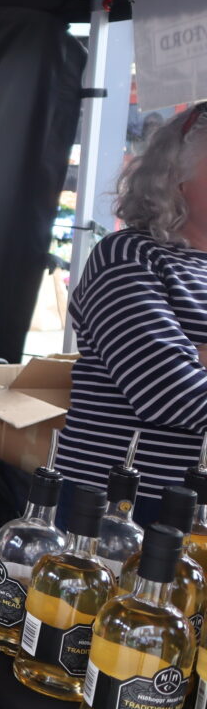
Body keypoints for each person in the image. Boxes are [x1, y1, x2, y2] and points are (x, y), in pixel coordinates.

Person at [57, 100, 207, 521]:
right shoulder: (128, 256)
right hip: (120, 507)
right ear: (176, 176)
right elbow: (174, 395)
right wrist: (190, 364)